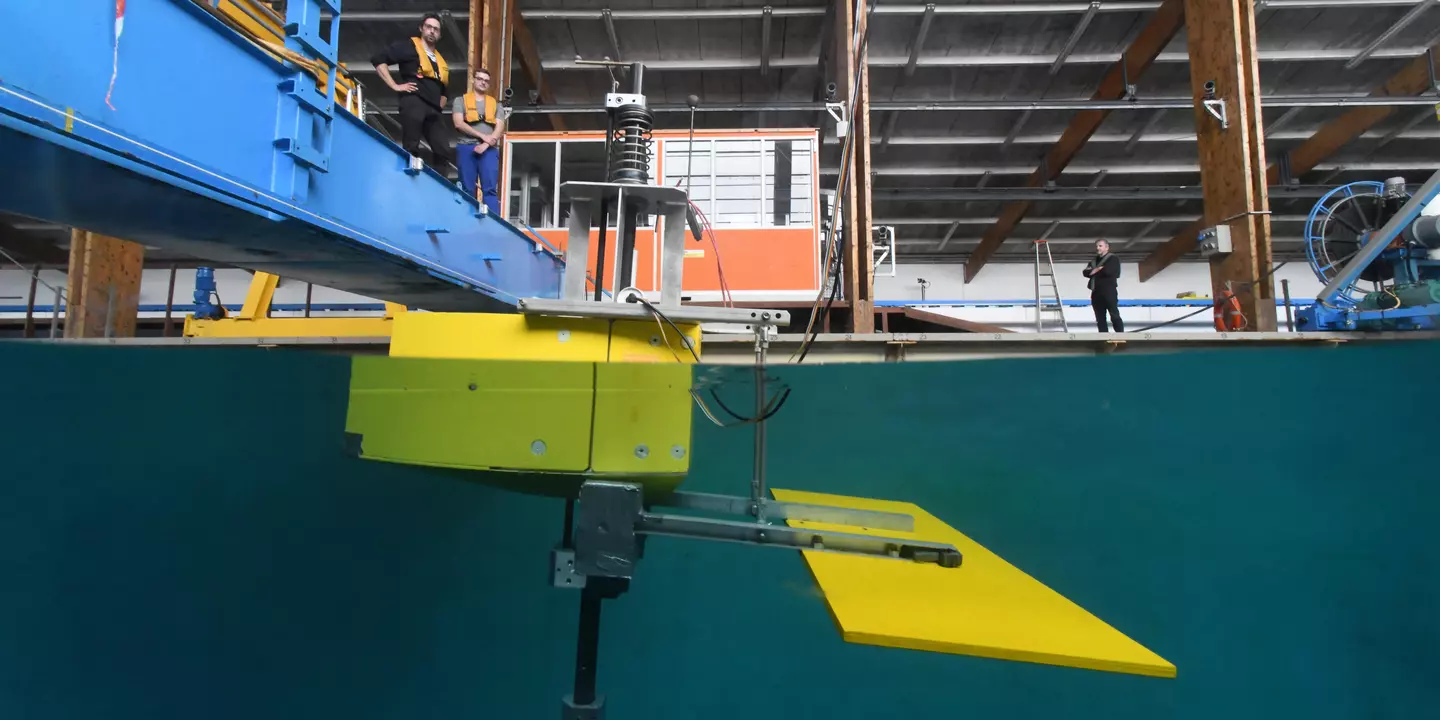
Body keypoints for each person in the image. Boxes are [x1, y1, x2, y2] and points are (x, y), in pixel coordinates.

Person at [369, 13, 451, 168]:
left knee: (443, 150)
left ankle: (441, 185)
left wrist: (439, 106)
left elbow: (445, 91)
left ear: (439, 35)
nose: (432, 31)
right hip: (414, 100)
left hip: (433, 108)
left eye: (436, 29)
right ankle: (410, 173)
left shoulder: (440, 60)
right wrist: (395, 86)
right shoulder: (408, 47)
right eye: (429, 27)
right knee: (412, 142)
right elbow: (378, 59)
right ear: (421, 28)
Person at [452, 68, 508, 216]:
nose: (483, 82)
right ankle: (465, 219)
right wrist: (483, 137)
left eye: (486, 81)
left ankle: (493, 222)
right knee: (467, 187)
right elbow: (458, 123)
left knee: (490, 189)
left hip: (489, 150)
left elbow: (499, 127)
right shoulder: (460, 101)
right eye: (480, 79)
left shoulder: (496, 105)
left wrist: (486, 144)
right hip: (466, 147)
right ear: (473, 80)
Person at [1083, 238, 1124, 332]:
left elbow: (1108, 271)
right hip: (1096, 291)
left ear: (1107, 247)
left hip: (1109, 290)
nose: (1098, 248)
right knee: (1100, 317)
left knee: (1114, 314)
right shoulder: (1094, 261)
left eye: (1100, 246)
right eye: (1097, 246)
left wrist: (1093, 271)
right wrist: (1098, 269)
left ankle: (1120, 335)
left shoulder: (1113, 259)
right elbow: (1085, 272)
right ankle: (1104, 336)